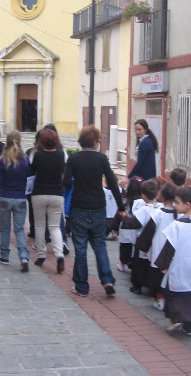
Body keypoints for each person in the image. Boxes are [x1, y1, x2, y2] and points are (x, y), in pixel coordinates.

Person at [63, 125, 123, 297]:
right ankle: (107, 280)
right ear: (95, 142)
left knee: (80, 247)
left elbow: (66, 183)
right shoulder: (102, 159)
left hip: (79, 207)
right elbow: (112, 183)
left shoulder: (73, 159)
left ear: (81, 142)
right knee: (100, 245)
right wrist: (121, 207)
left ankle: (82, 286)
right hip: (98, 207)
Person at [154, 186, 191, 336]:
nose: (174, 205)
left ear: (188, 204)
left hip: (181, 267)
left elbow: (169, 248)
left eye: (177, 202)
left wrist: (163, 264)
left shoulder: (176, 226)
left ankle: (177, 319)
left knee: (175, 295)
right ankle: (190, 326)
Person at [137, 182, 177, 310]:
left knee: (158, 277)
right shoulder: (178, 214)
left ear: (162, 195)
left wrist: (143, 247)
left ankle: (160, 299)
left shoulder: (158, 213)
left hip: (159, 249)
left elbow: (148, 233)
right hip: (173, 251)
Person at [0, 130, 31, 272]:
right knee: (19, 229)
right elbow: (29, 178)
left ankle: (4, 256)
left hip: (5, 195)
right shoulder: (26, 160)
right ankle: (23, 256)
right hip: (21, 197)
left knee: (5, 229)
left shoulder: (1, 160)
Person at [31, 128, 66, 273]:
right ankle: (59, 255)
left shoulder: (38, 155)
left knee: (39, 225)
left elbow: (32, 171)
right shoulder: (60, 155)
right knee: (55, 226)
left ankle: (41, 255)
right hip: (56, 193)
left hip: (39, 192)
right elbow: (63, 173)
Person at [119, 179, 162, 295]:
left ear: (143, 195)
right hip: (154, 240)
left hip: (141, 239)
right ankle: (149, 284)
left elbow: (134, 224)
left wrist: (125, 217)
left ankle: (137, 286)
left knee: (139, 265)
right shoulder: (160, 207)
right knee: (149, 264)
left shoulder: (143, 210)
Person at [114, 176, 143, 272]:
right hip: (137, 228)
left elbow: (119, 214)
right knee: (134, 249)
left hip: (126, 228)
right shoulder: (143, 203)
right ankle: (133, 263)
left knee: (125, 247)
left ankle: (122, 263)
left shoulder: (126, 201)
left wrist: (114, 227)